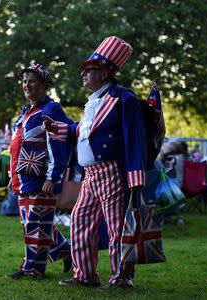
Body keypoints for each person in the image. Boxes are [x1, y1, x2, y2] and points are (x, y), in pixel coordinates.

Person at [43, 36, 146, 289]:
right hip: (90, 174)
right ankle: (85, 275)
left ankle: (121, 278)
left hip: (113, 171)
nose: (84, 75)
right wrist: (57, 127)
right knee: (80, 220)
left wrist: (136, 177)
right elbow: (82, 132)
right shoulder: (92, 102)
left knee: (116, 228)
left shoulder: (124, 99)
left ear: (104, 73)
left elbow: (136, 139)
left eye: (88, 71)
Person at [6, 62, 72, 279]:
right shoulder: (26, 111)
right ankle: (65, 250)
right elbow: (18, 146)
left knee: (35, 223)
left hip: (41, 177)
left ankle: (32, 269)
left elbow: (59, 143)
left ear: (44, 84)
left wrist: (53, 177)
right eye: (24, 81)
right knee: (32, 223)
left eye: (32, 81)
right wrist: (13, 175)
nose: (26, 85)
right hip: (23, 177)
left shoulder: (52, 109)